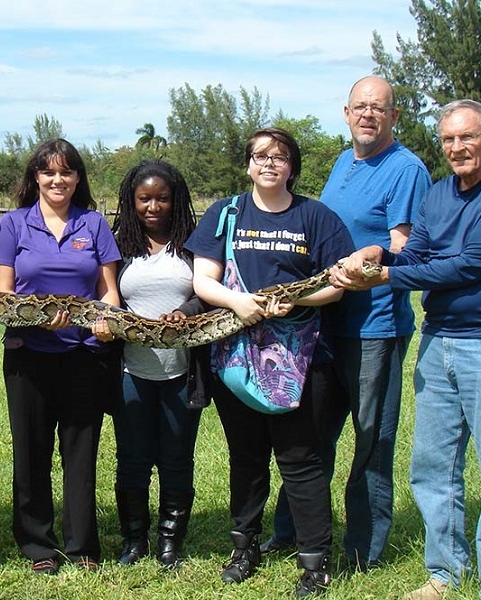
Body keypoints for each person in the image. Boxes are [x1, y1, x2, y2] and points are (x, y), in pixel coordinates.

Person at [331, 99, 481, 600]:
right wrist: (377, 252)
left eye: (467, 137)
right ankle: (445, 573)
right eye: (448, 139)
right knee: (433, 465)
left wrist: (385, 276)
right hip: (439, 341)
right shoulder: (440, 192)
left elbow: (469, 265)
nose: (457, 148)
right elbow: (419, 249)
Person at [262, 75, 431, 570]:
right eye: (360, 106)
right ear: (346, 112)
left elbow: (407, 253)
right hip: (325, 324)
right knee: (310, 437)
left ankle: (363, 552)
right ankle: (291, 532)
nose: (368, 115)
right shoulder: (343, 160)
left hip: (373, 329)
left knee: (370, 441)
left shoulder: (406, 170)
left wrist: (371, 261)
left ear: (393, 116)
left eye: (378, 108)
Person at [185, 128, 354, 596]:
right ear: (248, 164)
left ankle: (314, 562)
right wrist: (240, 303)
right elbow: (204, 280)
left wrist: (296, 304)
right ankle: (244, 548)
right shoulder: (225, 213)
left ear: (292, 167)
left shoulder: (315, 217)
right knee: (247, 457)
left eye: (280, 157)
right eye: (260, 156)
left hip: (304, 358)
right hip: (236, 355)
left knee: (301, 460)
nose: (269, 163)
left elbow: (337, 283)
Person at [0, 138, 121, 574]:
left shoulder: (94, 224)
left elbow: (108, 290)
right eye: (48, 172)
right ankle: (36, 545)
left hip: (85, 355)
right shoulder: (13, 224)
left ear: (77, 178)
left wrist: (108, 321)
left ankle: (83, 546)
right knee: (31, 450)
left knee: (81, 452)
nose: (57, 179)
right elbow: (4, 295)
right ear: (36, 178)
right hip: (29, 354)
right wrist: (39, 320)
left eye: (66, 172)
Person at [107, 159, 210, 568]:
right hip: (131, 371)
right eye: (144, 198)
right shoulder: (118, 245)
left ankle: (170, 541)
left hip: (181, 373)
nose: (153, 206)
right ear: (132, 201)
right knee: (132, 458)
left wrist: (186, 310)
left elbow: (210, 290)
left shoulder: (193, 244)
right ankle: (134, 540)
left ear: (176, 200)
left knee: (176, 459)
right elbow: (106, 296)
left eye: (162, 198)